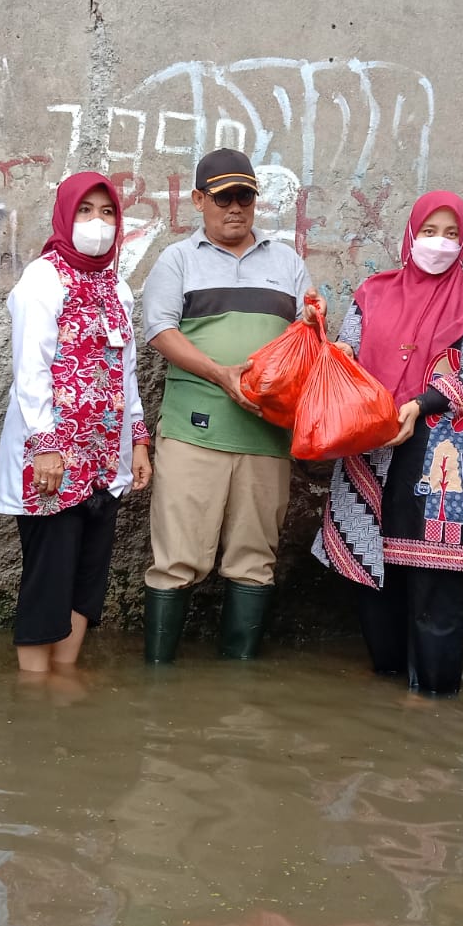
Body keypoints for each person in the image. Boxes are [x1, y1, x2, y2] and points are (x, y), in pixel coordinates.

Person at [139, 148, 324, 662]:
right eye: (222, 197)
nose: (234, 208)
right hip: (192, 432)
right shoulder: (178, 259)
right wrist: (221, 375)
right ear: (200, 200)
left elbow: (308, 331)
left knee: (253, 559)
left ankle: (236, 684)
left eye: (244, 196)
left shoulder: (286, 261)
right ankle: (159, 680)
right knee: (176, 559)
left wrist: (315, 321)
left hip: (267, 436)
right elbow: (158, 330)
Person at [314, 191, 463, 695]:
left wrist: (419, 404)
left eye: (450, 234)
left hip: (440, 455)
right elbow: (347, 349)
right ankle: (388, 684)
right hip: (371, 445)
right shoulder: (372, 292)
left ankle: (434, 697)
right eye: (428, 232)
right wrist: (330, 347)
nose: (437, 244)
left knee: (434, 581)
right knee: (374, 566)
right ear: (409, 234)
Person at [0, 173, 152, 672]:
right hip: (55, 459)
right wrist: (46, 444)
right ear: (65, 216)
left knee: (88, 575)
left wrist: (138, 442)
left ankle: (65, 674)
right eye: (85, 211)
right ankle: (35, 684)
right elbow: (30, 370)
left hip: (105, 457)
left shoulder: (118, 288)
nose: (97, 223)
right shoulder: (42, 279)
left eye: (107, 213)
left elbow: (125, 374)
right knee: (49, 574)